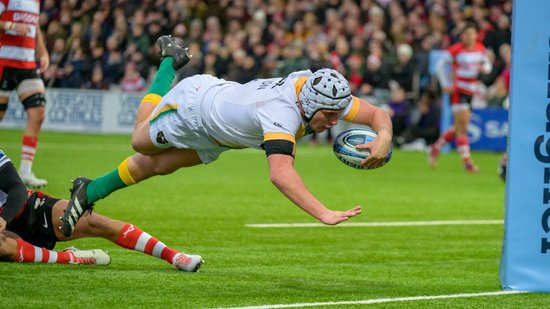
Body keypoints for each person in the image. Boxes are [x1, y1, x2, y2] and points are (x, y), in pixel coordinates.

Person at [61, 36, 393, 237]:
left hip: (221, 134)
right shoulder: (281, 113)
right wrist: (323, 212)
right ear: (309, 105)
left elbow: (377, 115)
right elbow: (280, 175)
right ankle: (168, 63)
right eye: (330, 116)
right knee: (138, 142)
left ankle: (88, 192)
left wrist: (384, 136)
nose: (336, 122)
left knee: (159, 167)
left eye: (338, 115)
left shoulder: (318, 88)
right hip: (194, 109)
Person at [0, 150, 203, 271]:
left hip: (23, 209)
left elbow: (16, 189)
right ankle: (71, 258)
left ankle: (173, 256)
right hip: (5, 234)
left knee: (97, 223)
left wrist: (4, 217)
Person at [0, 0, 51, 187]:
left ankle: (25, 171)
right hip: (4, 62)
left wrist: (43, 52)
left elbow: (34, 26)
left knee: (38, 113)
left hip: (27, 64)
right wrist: (10, 25)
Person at [431, 22, 492, 172]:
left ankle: (436, 147)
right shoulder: (456, 49)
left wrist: (485, 68)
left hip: (472, 91)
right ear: (462, 36)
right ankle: (467, 162)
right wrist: (445, 83)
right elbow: (439, 66)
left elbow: (488, 66)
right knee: (463, 127)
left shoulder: (480, 49)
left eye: (472, 33)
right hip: (459, 91)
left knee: (459, 126)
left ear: (476, 35)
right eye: (466, 34)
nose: (469, 36)